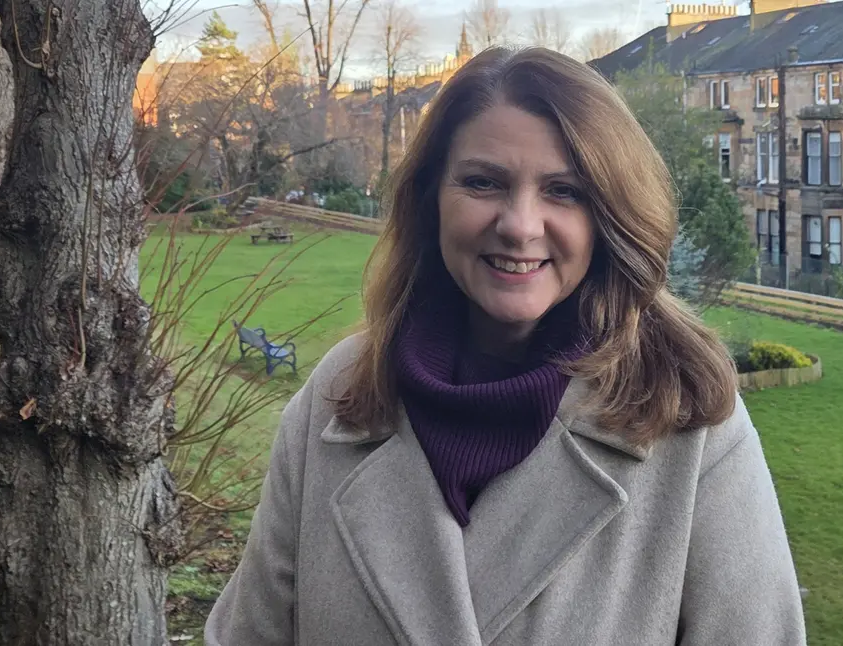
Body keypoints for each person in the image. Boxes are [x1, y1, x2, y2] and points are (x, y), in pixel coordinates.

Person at [205, 47, 806, 646]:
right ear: (430, 197)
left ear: (609, 216)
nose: (520, 225)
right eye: (483, 182)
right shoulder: (339, 396)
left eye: (564, 190)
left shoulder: (689, 423)